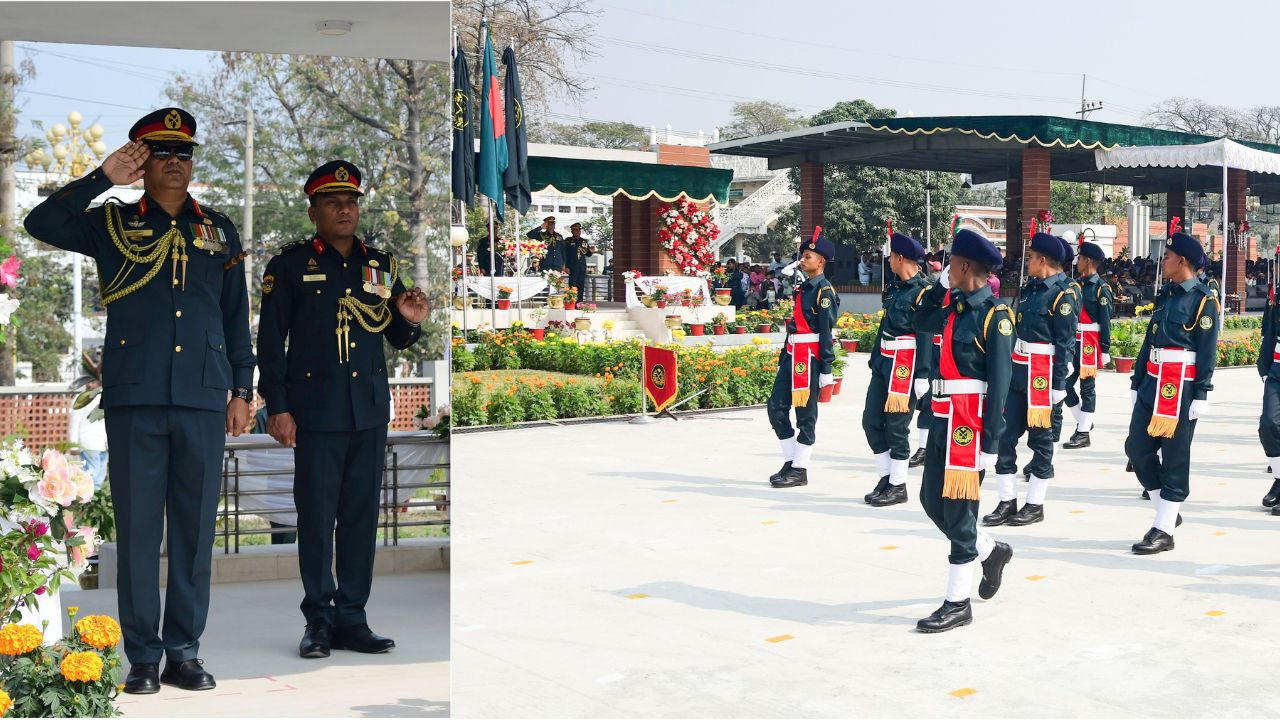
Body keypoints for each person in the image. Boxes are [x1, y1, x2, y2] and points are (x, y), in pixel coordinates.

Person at [24, 107, 254, 693]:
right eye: (161, 153)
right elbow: (41, 221)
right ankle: (144, 658)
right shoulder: (110, 223)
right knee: (139, 531)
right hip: (136, 396)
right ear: (142, 160)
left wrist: (244, 390)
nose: (174, 162)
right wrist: (102, 178)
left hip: (203, 396)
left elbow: (234, 318)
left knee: (194, 533)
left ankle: (185, 651)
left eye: (183, 153)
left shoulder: (218, 229)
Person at [257, 161, 429, 658]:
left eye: (351, 202)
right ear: (313, 210)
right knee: (315, 518)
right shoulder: (288, 266)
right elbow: (271, 344)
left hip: (368, 412)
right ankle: (319, 620)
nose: (344, 210)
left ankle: (353, 618)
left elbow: (396, 333)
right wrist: (279, 407)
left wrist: (412, 321)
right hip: (315, 412)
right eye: (333, 202)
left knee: (359, 518)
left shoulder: (380, 265)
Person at [911, 228, 1014, 632]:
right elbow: (918, 320)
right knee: (931, 501)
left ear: (965, 266)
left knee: (957, 509)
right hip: (941, 416)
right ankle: (989, 551)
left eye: (949, 263)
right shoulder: (951, 306)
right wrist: (939, 288)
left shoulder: (996, 317)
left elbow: (1001, 382)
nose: (945, 268)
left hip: (968, 427)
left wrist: (992, 440)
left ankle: (958, 602)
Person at [1124, 233, 1219, 553]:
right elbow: (1150, 341)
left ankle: (1163, 528)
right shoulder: (1166, 295)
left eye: (1167, 256)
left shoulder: (1203, 300)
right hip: (1153, 381)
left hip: (1181, 388)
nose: (1162, 261)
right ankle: (1168, 510)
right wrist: (1138, 381)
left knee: (1176, 456)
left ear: (1182, 261)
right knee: (1136, 449)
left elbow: (1207, 350)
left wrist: (1203, 392)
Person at [983, 234, 1077, 528]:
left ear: (1043, 261)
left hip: (1042, 374)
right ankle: (1006, 500)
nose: (1028, 263)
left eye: (1032, 258)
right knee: (1005, 437)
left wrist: (1059, 385)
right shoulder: (1031, 289)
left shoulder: (1064, 294)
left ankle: (1035, 504)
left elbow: (1065, 343)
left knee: (1041, 441)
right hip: (1018, 371)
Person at [862, 232, 932, 506]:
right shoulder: (894, 288)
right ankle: (886, 476)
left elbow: (926, 334)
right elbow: (885, 326)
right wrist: (875, 358)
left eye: (891, 256)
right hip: (884, 363)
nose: (889, 261)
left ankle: (899, 484)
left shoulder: (924, 292)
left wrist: (924, 373)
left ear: (900, 258)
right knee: (870, 421)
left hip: (906, 365)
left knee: (896, 425)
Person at [767, 228, 838, 489]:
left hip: (809, 358)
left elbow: (826, 332)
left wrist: (826, 369)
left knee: (806, 415)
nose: (803, 260)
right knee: (775, 407)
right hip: (791, 355)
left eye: (808, 256)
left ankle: (800, 468)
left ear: (821, 261)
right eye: (803, 256)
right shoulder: (804, 287)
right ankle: (791, 460)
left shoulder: (824, 291)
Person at [1058, 241, 1114, 449]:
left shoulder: (1101, 289)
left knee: (1087, 387)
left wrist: (1105, 348)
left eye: (1080, 258)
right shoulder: (1077, 285)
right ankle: (1085, 421)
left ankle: (1083, 432)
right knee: (1064, 383)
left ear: (1088, 261)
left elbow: (1106, 320)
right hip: (1074, 341)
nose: (1077, 262)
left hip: (1090, 342)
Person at [1259, 260, 1280, 512]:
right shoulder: (1277, 292)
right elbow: (1270, 329)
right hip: (1277, 367)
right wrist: (1264, 366)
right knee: (1269, 425)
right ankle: (1278, 477)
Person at [564, 221, 591, 302]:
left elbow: (588, 254)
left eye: (579, 230)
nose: (578, 232)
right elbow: (566, 255)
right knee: (572, 285)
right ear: (572, 231)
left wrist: (591, 251)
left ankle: (579, 302)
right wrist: (566, 266)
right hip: (572, 267)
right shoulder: (568, 241)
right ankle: (571, 301)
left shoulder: (584, 241)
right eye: (576, 230)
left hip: (581, 267)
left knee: (581, 285)